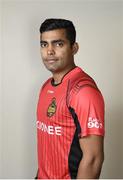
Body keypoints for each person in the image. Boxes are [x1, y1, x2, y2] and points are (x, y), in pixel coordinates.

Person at [36, 18, 105, 179]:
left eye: (58, 44)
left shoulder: (83, 92)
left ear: (74, 48)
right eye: (44, 44)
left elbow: (93, 159)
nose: (49, 51)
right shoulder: (46, 86)